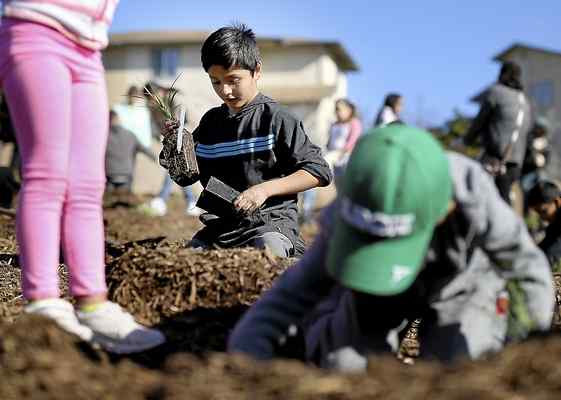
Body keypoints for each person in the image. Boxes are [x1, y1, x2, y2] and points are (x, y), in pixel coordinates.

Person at [228, 125, 553, 370]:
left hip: (461, 283)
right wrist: (244, 364)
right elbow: (290, 295)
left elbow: (528, 270)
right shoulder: (352, 208)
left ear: (445, 209)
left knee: (460, 371)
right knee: (344, 366)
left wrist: (523, 355)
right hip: (376, 287)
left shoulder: (473, 195)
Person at [0, 0, 165, 353]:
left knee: (89, 186)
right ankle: (43, 300)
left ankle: (93, 306)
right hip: (37, 30)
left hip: (89, 49)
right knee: (47, 174)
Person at [160, 24, 331, 257]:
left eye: (233, 79)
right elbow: (185, 176)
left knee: (265, 259)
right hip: (220, 229)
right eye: (216, 81)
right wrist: (176, 147)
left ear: (256, 70)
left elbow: (318, 172)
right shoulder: (211, 122)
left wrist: (264, 190)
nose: (225, 91)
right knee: (180, 265)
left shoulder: (277, 118)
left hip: (269, 226)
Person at [463, 61, 531, 205]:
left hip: (495, 160)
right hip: (516, 161)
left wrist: (466, 140)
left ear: (503, 74)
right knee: (505, 203)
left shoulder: (496, 92)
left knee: (483, 201)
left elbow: (480, 121)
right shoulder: (524, 100)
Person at [105, 110, 156, 192]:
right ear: (118, 119)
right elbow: (144, 149)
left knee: (108, 201)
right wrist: (155, 158)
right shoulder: (130, 135)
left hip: (109, 174)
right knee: (125, 201)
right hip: (126, 174)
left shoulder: (104, 136)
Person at [527, 178, 561, 270]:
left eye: (543, 211)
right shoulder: (555, 222)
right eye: (538, 212)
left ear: (557, 202)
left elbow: (552, 253)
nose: (542, 217)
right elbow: (546, 245)